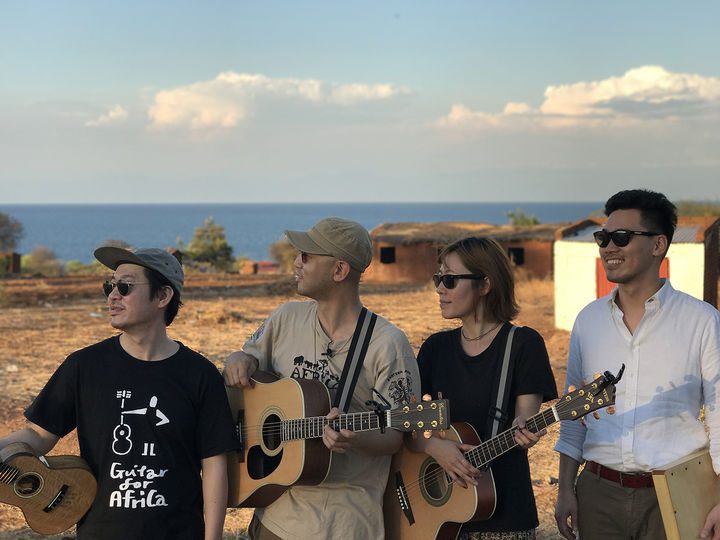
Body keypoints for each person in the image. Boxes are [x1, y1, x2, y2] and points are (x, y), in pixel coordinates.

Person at [0, 247, 238, 540]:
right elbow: (37, 435)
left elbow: (214, 465)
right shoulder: (83, 366)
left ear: (163, 296)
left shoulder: (200, 374)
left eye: (125, 287)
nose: (113, 296)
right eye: (109, 286)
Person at [223, 217, 419, 540]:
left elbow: (395, 434)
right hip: (273, 512)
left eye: (307, 256)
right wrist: (238, 359)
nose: (296, 262)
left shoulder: (387, 343)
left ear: (339, 271)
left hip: (342, 525)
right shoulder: (286, 318)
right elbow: (249, 361)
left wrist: (355, 437)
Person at [553, 189, 720, 540]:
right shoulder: (588, 321)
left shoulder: (703, 321)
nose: (608, 248)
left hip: (676, 494)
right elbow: (573, 414)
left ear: (658, 245)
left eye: (622, 238)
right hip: (599, 493)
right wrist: (565, 488)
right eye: (603, 238)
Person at [409, 236, 558, 540]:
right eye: (439, 278)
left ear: (485, 285)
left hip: (504, 518)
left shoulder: (523, 344)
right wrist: (434, 447)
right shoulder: (435, 349)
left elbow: (524, 421)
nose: (439, 288)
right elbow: (410, 424)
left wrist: (524, 429)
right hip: (438, 519)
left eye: (449, 279)